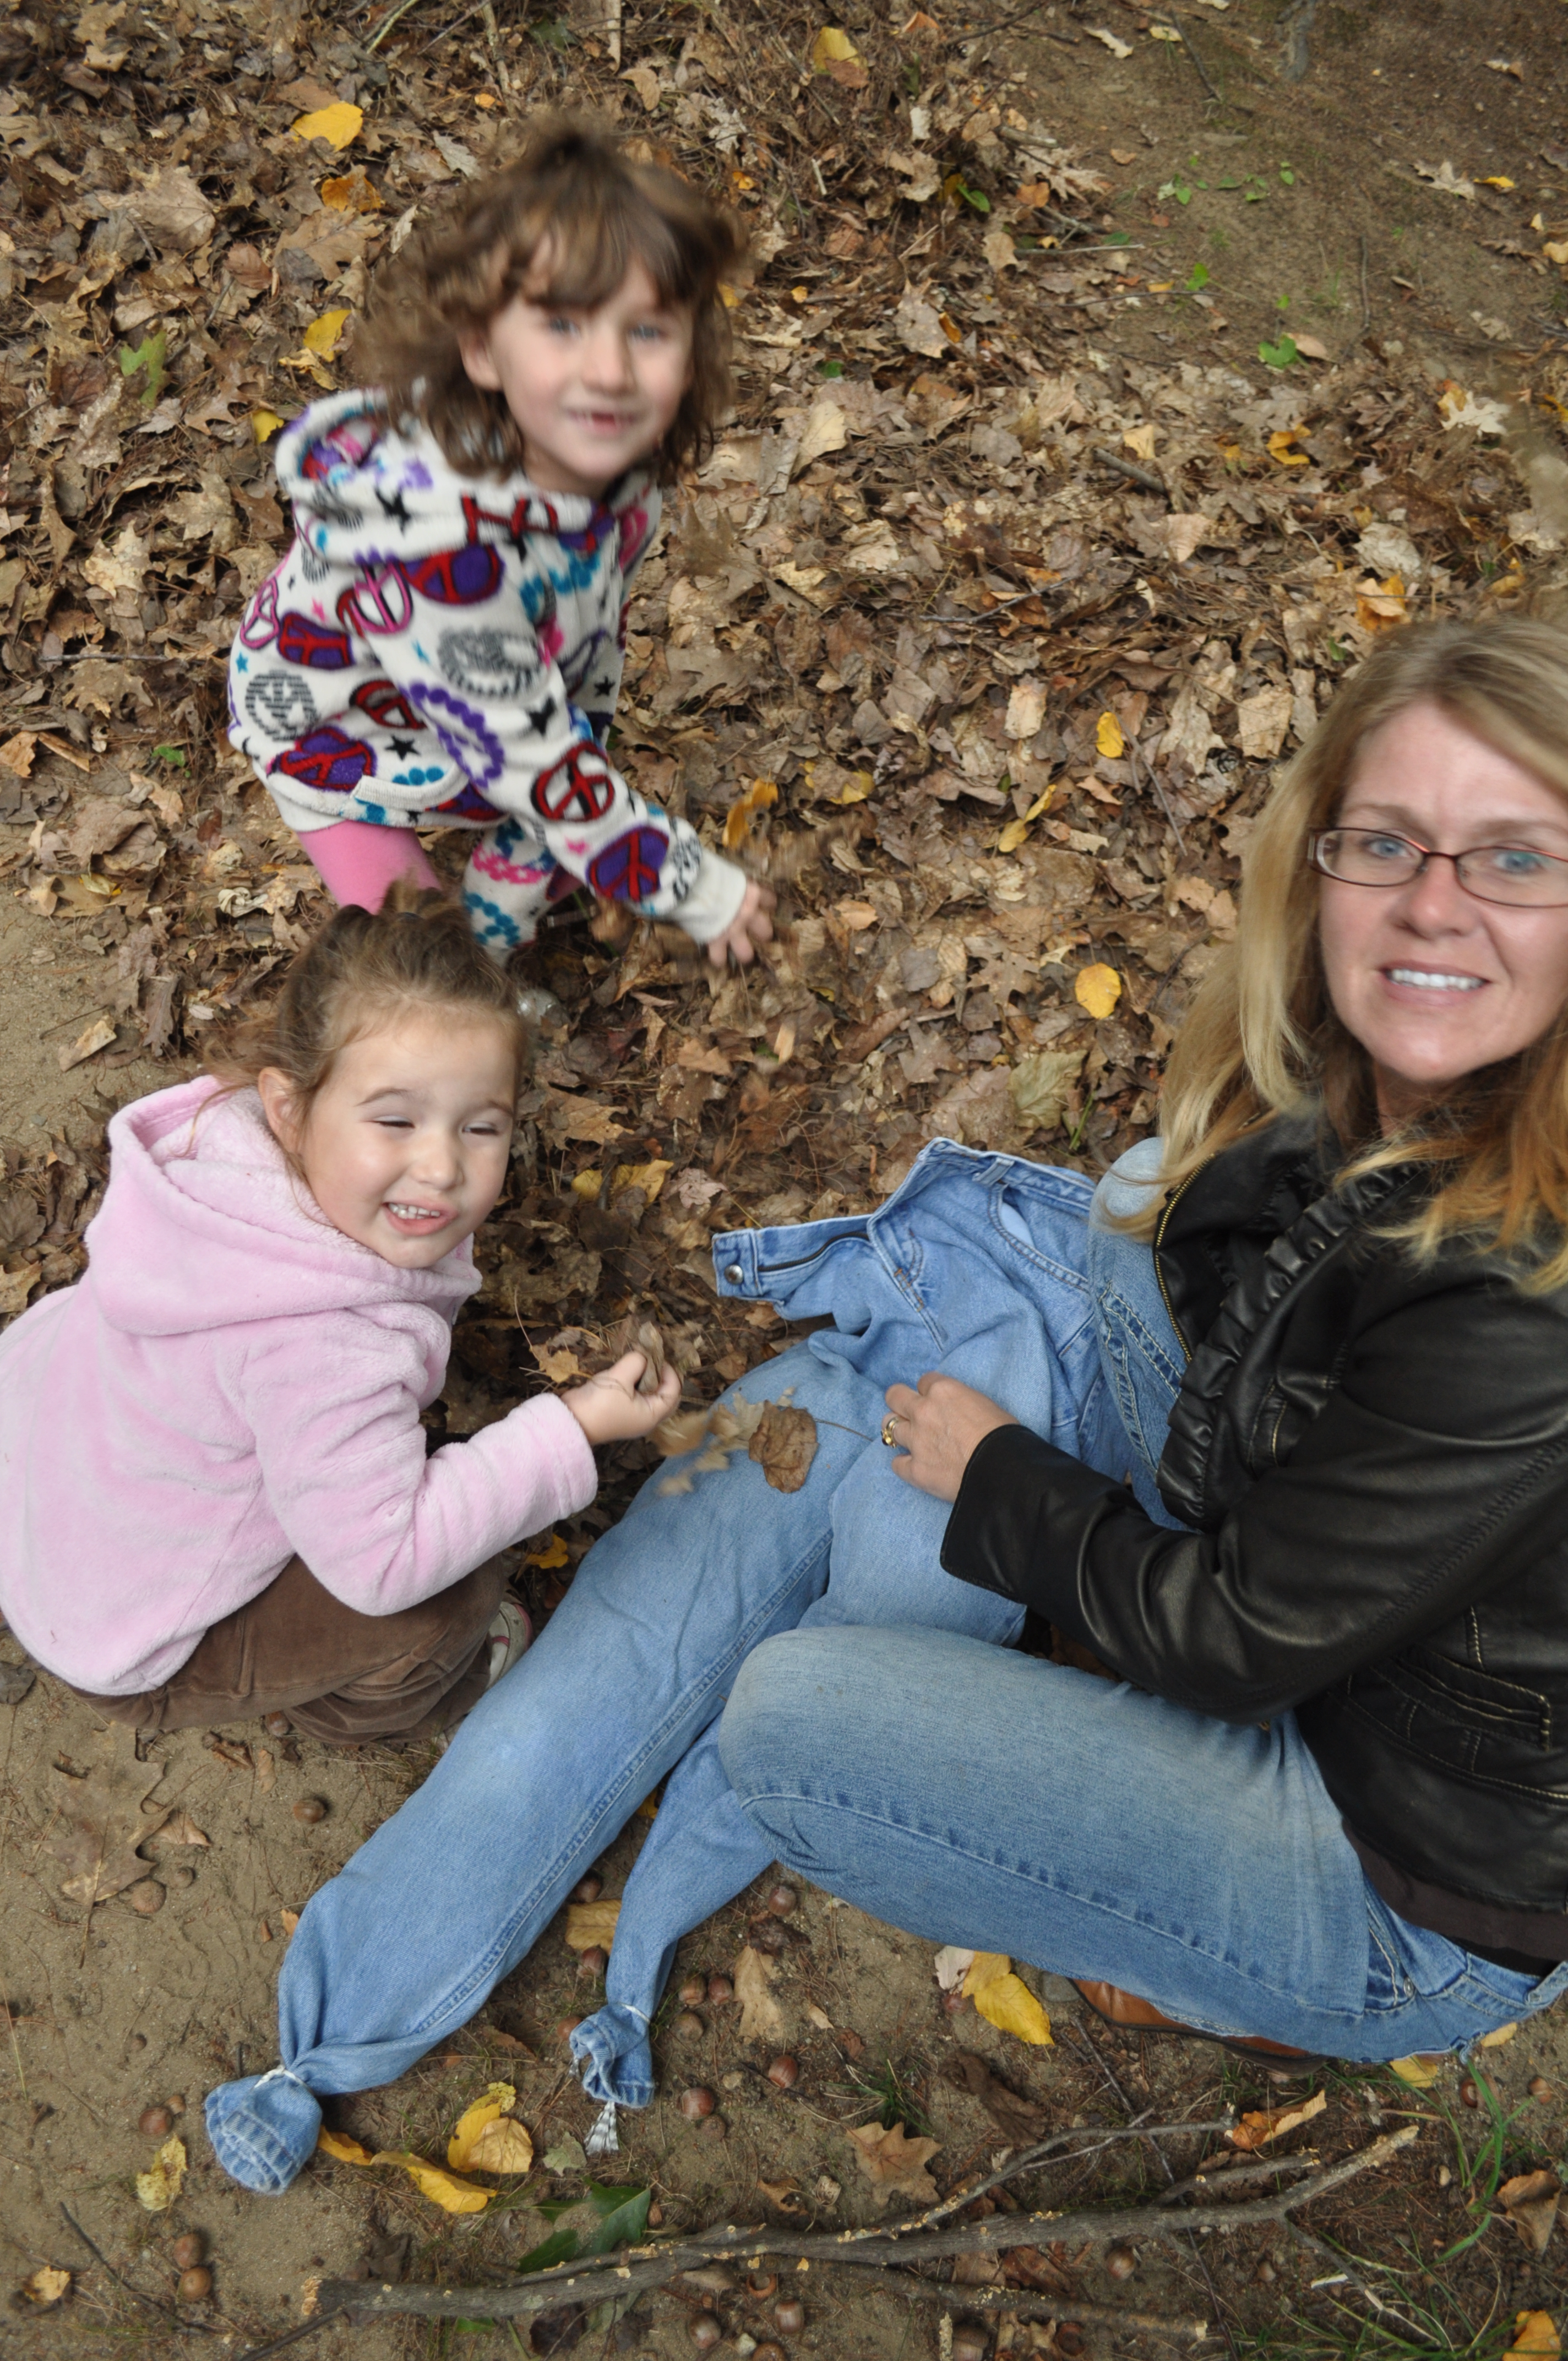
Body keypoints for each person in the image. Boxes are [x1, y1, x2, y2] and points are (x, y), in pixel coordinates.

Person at [205, 618, 1568, 2195]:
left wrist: (1006, 1483)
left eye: (1516, 858)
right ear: (1318, 858)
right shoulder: (1385, 1064)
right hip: (1319, 1563)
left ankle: (1232, 1970)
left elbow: (1237, 1636)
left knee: (796, 1719)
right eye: (1388, 840)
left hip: (1392, 1866)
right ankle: (352, 2011)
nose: (1432, 904)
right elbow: (1237, 1294)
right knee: (973, 1315)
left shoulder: (1525, 1307)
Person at [0, 888, 678, 1743]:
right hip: (123, 1629)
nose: (438, 1166)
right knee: (448, 1597)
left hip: (46, 1474)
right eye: (395, 1120)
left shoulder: (229, 1158)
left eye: (480, 1127)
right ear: (291, 1108)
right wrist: (571, 1430)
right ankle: (365, 1710)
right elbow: (383, 1565)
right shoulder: (324, 1348)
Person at [227, 118, 774, 971]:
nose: (609, 372)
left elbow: (576, 638)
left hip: (482, 711)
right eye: (563, 325)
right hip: (339, 741)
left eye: (648, 330)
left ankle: (497, 913)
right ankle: (466, 960)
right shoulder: (447, 564)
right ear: (482, 347)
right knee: (418, 968)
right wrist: (696, 887)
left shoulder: (616, 474)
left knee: (559, 823)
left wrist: (575, 753)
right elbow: (535, 761)